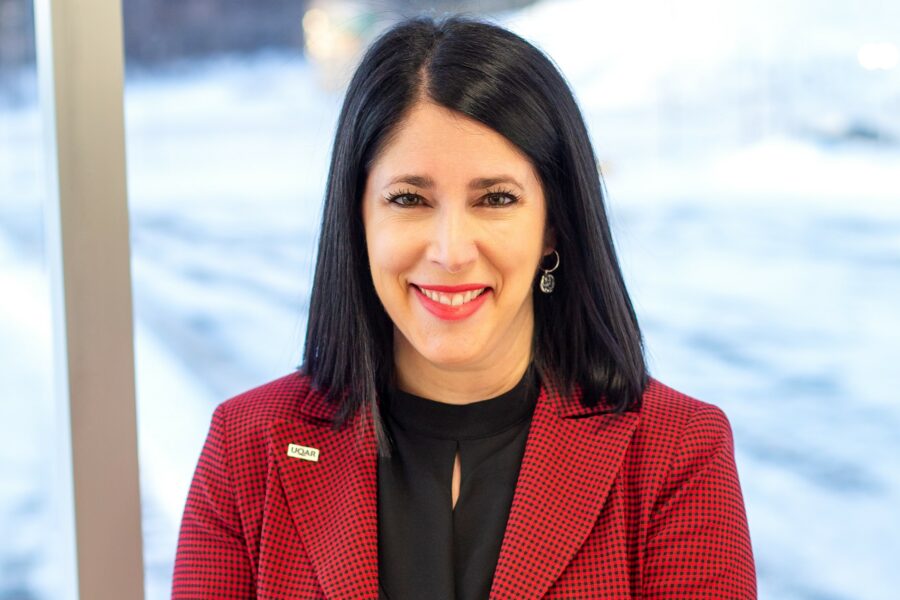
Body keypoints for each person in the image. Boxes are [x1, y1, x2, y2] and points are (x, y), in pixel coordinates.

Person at [172, 14, 756, 600]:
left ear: (553, 224)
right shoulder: (246, 448)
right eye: (409, 199)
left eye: (496, 199)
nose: (451, 252)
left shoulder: (677, 452)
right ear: (358, 217)